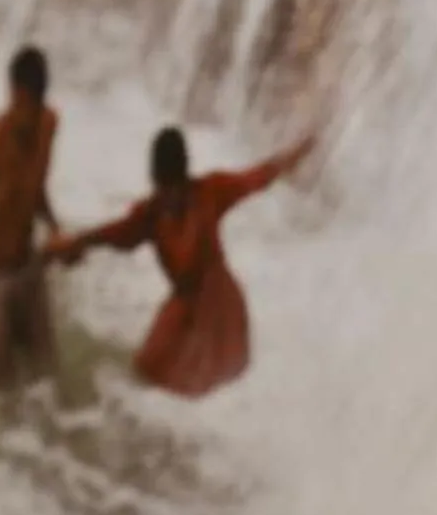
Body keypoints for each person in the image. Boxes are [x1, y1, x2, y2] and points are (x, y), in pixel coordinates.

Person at [51, 124, 316, 399]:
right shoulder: (150, 214)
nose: (169, 197)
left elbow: (258, 176)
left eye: (173, 188)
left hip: (218, 304)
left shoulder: (210, 191)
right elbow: (116, 233)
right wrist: (79, 241)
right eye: (164, 188)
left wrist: (297, 153)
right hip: (186, 303)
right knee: (148, 370)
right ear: (155, 180)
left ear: (182, 176)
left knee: (211, 390)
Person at [0, 46, 65, 391]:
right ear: (13, 94)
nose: (27, 119)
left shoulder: (49, 125)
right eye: (21, 108)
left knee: (47, 375)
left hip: (29, 270)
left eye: (32, 109)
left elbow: (37, 189)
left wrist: (55, 227)